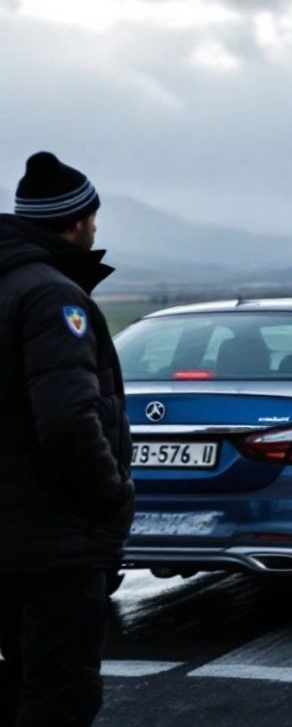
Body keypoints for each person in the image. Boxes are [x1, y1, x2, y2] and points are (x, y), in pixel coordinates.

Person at [0, 152, 134, 727]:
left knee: (18, 683)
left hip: (13, 536)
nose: (95, 230)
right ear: (78, 221)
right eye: (93, 219)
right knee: (60, 694)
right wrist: (109, 500)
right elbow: (70, 422)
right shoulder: (52, 298)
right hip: (55, 540)